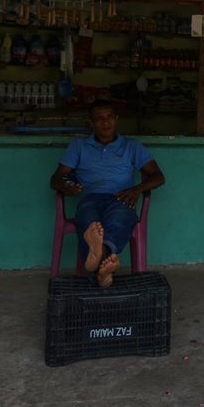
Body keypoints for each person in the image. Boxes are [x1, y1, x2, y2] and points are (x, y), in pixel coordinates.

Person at [50, 99, 166, 287]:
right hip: (90, 197)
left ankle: (97, 264)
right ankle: (103, 265)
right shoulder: (78, 146)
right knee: (88, 221)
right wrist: (64, 186)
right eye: (99, 118)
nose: (105, 122)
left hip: (121, 197)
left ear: (116, 119)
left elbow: (158, 177)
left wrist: (137, 189)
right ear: (91, 122)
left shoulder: (132, 146)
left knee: (119, 218)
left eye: (109, 117)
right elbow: (56, 178)